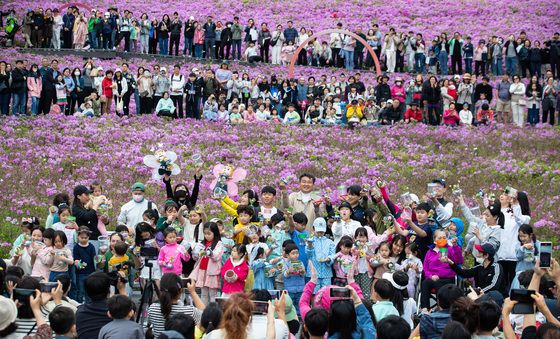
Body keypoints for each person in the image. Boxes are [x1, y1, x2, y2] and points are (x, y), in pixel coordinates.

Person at [147, 273, 204, 338]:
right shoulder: (190, 311)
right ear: (180, 291)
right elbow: (206, 316)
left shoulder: (152, 308)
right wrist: (193, 292)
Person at [75, 272, 128, 339]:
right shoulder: (116, 309)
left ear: (87, 292)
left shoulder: (80, 312)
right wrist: (122, 289)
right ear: (108, 289)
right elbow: (129, 312)